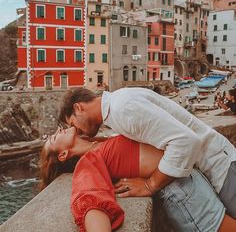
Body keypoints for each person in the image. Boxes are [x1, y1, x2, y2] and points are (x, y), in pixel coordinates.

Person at [58, 87, 236, 218]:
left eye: (74, 125)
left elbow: (186, 141)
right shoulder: (119, 103)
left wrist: (150, 185)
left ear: (78, 108)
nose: (78, 132)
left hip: (222, 168)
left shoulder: (123, 110)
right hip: (219, 163)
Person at [40, 126, 236, 232]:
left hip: (183, 178)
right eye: (53, 138)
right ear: (63, 155)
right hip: (180, 191)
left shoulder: (98, 143)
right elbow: (89, 197)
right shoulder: (88, 162)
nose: (58, 130)